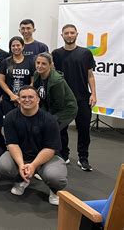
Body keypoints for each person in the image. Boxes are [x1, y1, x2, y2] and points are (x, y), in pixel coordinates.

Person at [0, 86, 67, 206]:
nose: (27, 100)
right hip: (22, 156)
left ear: (38, 100)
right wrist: (21, 165)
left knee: (55, 177)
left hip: (46, 158)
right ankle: (22, 180)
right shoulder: (10, 117)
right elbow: (12, 144)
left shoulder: (49, 120)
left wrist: (34, 165)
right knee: (3, 165)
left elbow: (50, 149)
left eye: (31, 97)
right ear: (18, 100)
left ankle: (54, 191)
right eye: (23, 97)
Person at [52, 24, 97, 172]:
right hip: (62, 99)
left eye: (72, 33)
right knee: (61, 129)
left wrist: (94, 94)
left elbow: (90, 75)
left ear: (76, 34)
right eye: (66, 33)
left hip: (83, 98)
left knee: (84, 129)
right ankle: (64, 154)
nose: (69, 35)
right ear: (62, 35)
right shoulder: (56, 54)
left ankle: (83, 158)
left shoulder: (85, 53)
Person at [33, 52, 78, 163]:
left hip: (66, 109)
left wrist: (46, 119)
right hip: (50, 106)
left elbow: (58, 105)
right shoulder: (37, 74)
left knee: (50, 130)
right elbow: (39, 96)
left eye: (43, 64)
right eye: (38, 63)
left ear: (50, 65)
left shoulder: (56, 81)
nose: (40, 66)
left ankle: (54, 158)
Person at [0, 36, 35, 115]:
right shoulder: (5, 62)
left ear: (23, 46)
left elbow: (33, 81)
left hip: (25, 100)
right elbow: (1, 81)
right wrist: (11, 95)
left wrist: (23, 95)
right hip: (8, 99)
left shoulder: (31, 62)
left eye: (18, 45)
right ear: (10, 47)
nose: (16, 47)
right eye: (13, 46)